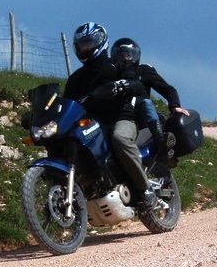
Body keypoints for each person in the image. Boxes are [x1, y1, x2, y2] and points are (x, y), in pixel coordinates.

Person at [63, 23, 156, 208]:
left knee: (119, 138)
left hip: (122, 117)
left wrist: (121, 86)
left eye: (89, 43)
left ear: (101, 42)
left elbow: (137, 84)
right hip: (92, 123)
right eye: (82, 44)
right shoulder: (75, 79)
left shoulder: (115, 64)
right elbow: (67, 104)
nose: (86, 48)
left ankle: (145, 189)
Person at [110, 38, 190, 158]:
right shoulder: (111, 74)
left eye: (128, 54)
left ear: (135, 55)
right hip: (120, 117)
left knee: (145, 102)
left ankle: (161, 141)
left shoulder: (143, 70)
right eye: (121, 55)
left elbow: (167, 88)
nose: (125, 58)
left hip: (142, 119)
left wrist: (175, 106)